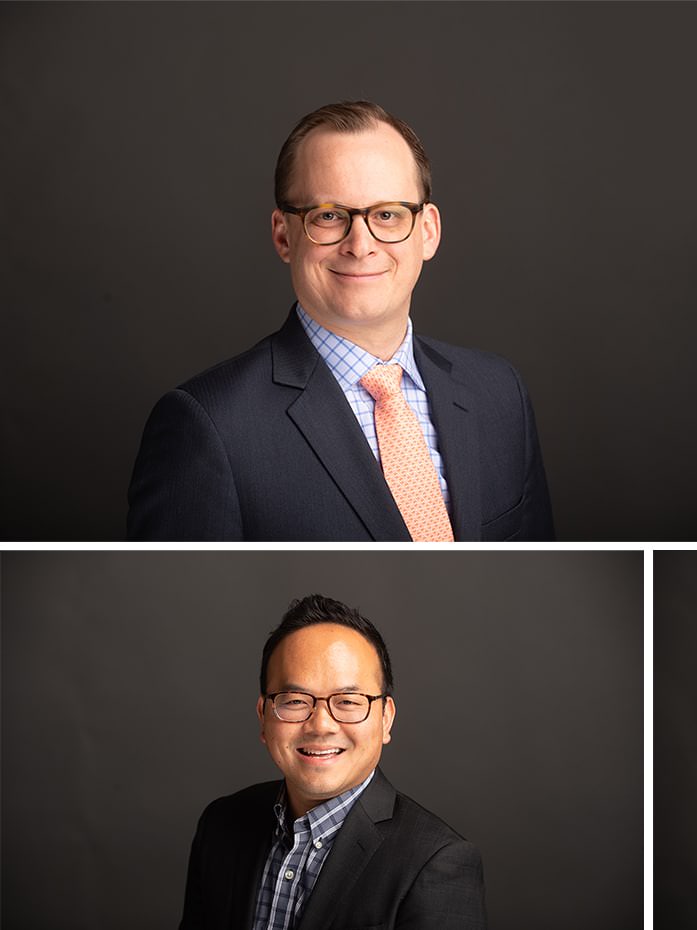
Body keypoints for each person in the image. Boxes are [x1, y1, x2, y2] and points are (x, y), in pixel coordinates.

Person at [128, 101, 553, 541]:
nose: (360, 244)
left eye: (387, 214)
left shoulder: (501, 395)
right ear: (282, 234)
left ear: (427, 231)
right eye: (329, 216)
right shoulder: (208, 426)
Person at [179, 595, 484, 929]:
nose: (321, 724)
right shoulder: (221, 825)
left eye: (348, 701)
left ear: (385, 719)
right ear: (263, 716)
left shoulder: (436, 862)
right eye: (294, 700)